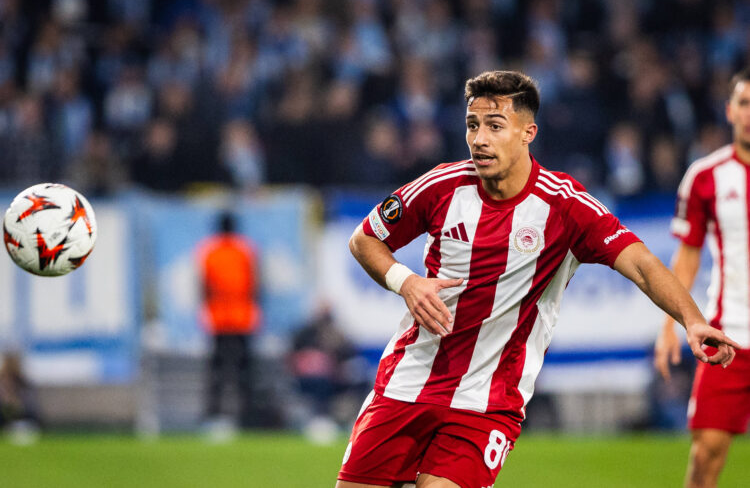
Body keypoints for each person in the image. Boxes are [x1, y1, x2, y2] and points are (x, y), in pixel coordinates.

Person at [337, 70, 739, 488]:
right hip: (407, 382)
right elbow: (364, 239)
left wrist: (692, 321)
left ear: (528, 132)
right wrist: (405, 282)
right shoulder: (442, 186)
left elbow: (641, 264)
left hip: (486, 400)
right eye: (472, 125)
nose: (479, 139)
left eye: (495, 126)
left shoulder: (564, 205)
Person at [654, 67, 750, 488]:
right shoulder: (706, 176)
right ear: (729, 111)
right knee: (706, 454)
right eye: (744, 103)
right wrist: (668, 326)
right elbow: (687, 259)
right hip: (729, 334)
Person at [196, 211, 261, 427]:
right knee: (244, 372)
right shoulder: (245, 251)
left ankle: (214, 415)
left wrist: (207, 310)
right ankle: (247, 416)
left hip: (219, 319)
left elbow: (204, 287)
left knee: (217, 371)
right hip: (242, 319)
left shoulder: (209, 252)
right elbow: (255, 286)